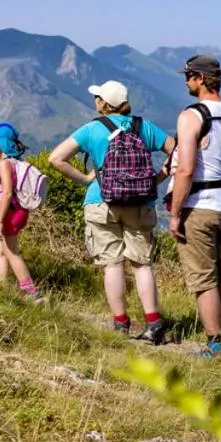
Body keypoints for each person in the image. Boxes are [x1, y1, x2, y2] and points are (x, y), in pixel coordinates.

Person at [48, 80, 174, 343]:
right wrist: (156, 178)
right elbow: (176, 151)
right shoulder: (144, 127)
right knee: (142, 264)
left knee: (112, 264)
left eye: (98, 98)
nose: (95, 102)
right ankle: (153, 323)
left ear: (104, 103)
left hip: (101, 200)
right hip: (140, 201)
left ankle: (120, 324)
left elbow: (55, 158)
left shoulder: (92, 129)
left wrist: (85, 179)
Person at [165, 54, 221, 359]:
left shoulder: (191, 116)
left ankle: (215, 343)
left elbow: (185, 169)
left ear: (201, 79)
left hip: (199, 205)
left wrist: (175, 214)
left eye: (188, 75)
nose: (185, 81)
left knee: (203, 278)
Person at [0, 121, 41, 304]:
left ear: (1, 141)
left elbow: (7, 193)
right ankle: (2, 287)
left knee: (11, 252)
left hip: (8, 212)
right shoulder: (16, 162)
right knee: (0, 250)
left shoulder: (4, 164)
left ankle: (31, 293)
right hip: (17, 211)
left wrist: (0, 220)